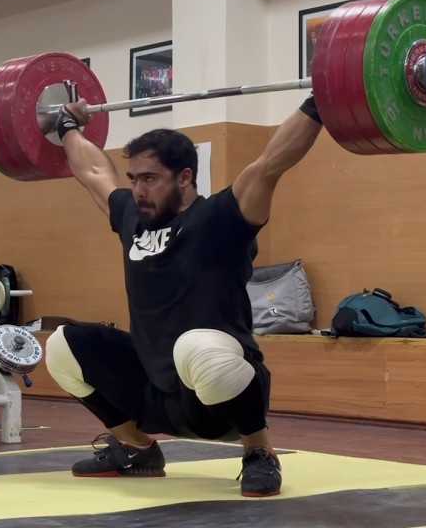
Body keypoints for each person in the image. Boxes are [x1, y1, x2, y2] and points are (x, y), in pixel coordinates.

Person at [44, 89, 326, 498]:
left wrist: (321, 100)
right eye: (135, 180)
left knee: (195, 347)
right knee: (62, 345)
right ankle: (135, 448)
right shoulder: (132, 219)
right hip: (154, 388)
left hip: (219, 394)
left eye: (150, 179)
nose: (139, 190)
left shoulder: (221, 217)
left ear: (185, 177)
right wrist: (67, 127)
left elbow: (271, 163)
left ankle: (259, 451)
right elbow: (93, 173)